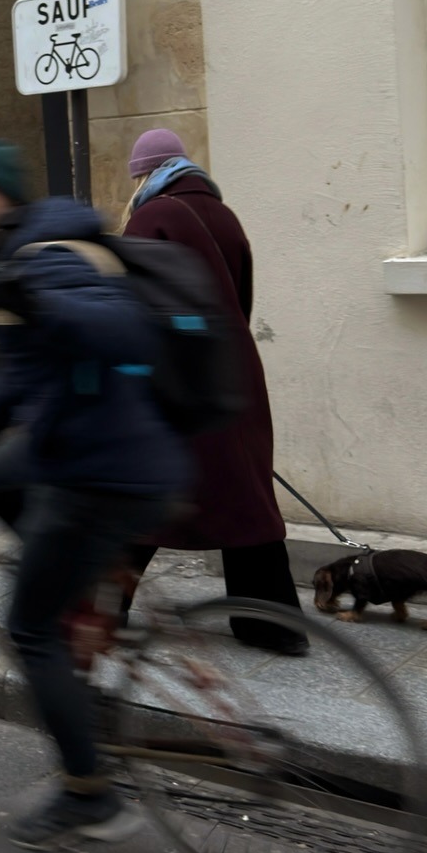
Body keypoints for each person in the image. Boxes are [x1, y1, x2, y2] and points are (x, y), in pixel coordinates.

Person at [0, 140, 189, 852]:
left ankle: (89, 797)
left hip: (104, 473)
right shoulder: (9, 260)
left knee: (29, 628)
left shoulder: (51, 254)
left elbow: (117, 329)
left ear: (4, 197)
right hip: (78, 456)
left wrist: (33, 296)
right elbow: (16, 379)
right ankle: (72, 582)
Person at [121, 128, 303, 652]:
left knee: (142, 493)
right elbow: (240, 300)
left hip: (178, 382)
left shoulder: (152, 217)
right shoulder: (225, 216)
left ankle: (94, 609)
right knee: (246, 501)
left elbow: (134, 309)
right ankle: (275, 626)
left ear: (146, 174)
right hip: (236, 374)